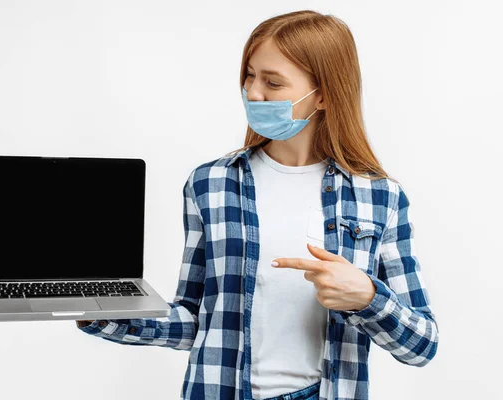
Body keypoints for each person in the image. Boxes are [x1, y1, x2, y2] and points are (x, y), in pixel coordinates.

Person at [76, 9, 439, 400]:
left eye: (273, 81)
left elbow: (422, 345)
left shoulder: (380, 197)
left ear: (323, 95)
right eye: (250, 75)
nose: (253, 92)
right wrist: (102, 310)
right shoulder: (210, 184)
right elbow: (197, 321)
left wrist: (368, 297)